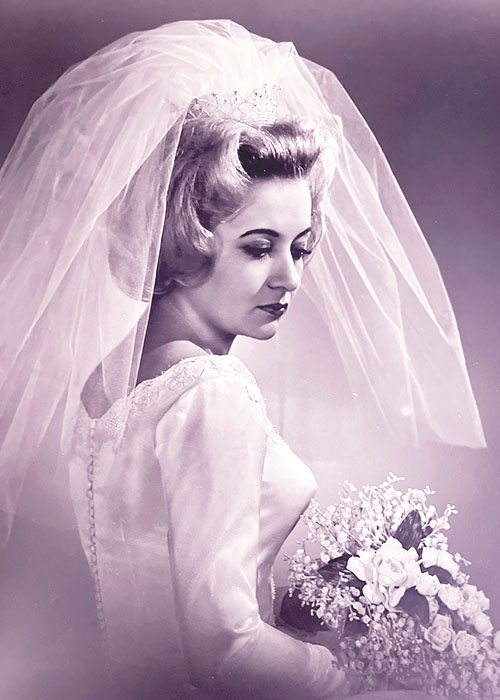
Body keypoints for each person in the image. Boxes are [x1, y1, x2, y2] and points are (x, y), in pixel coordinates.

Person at [0, 19, 484, 700]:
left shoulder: (117, 376)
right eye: (258, 247)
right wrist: (352, 680)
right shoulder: (211, 390)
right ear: (189, 239)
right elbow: (223, 645)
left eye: (300, 247)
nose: (289, 277)